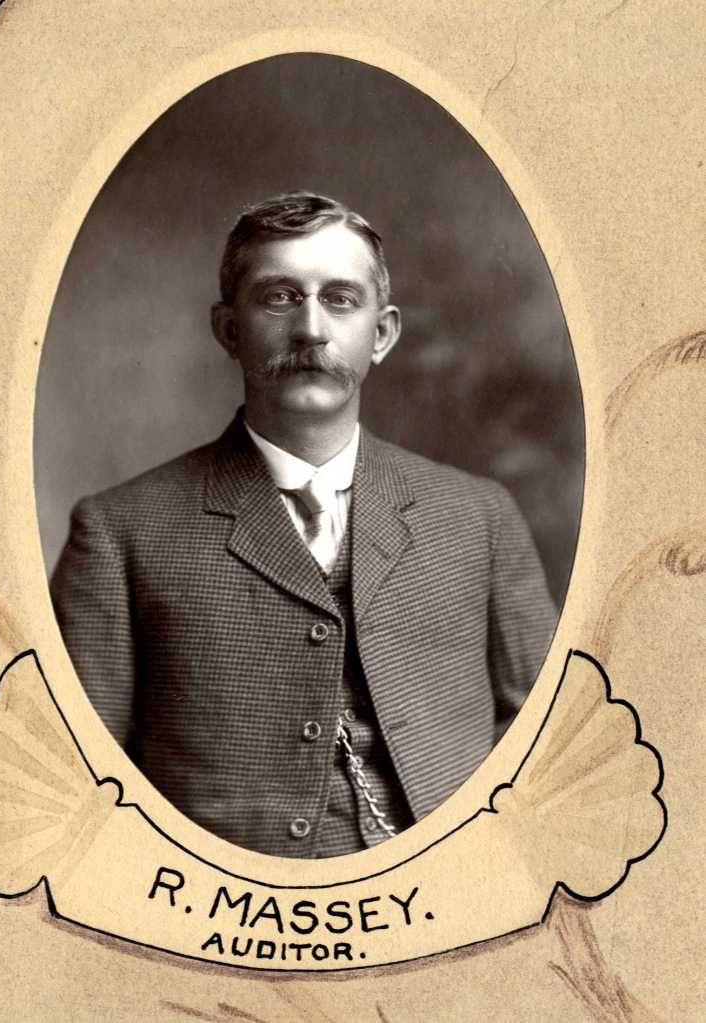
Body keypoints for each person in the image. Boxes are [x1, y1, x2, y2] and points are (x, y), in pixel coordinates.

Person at [50, 191, 556, 859]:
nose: (312, 329)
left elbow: (551, 740)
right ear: (229, 330)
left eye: (340, 299)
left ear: (382, 333)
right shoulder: (120, 532)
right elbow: (79, 784)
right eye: (279, 297)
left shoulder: (478, 516)